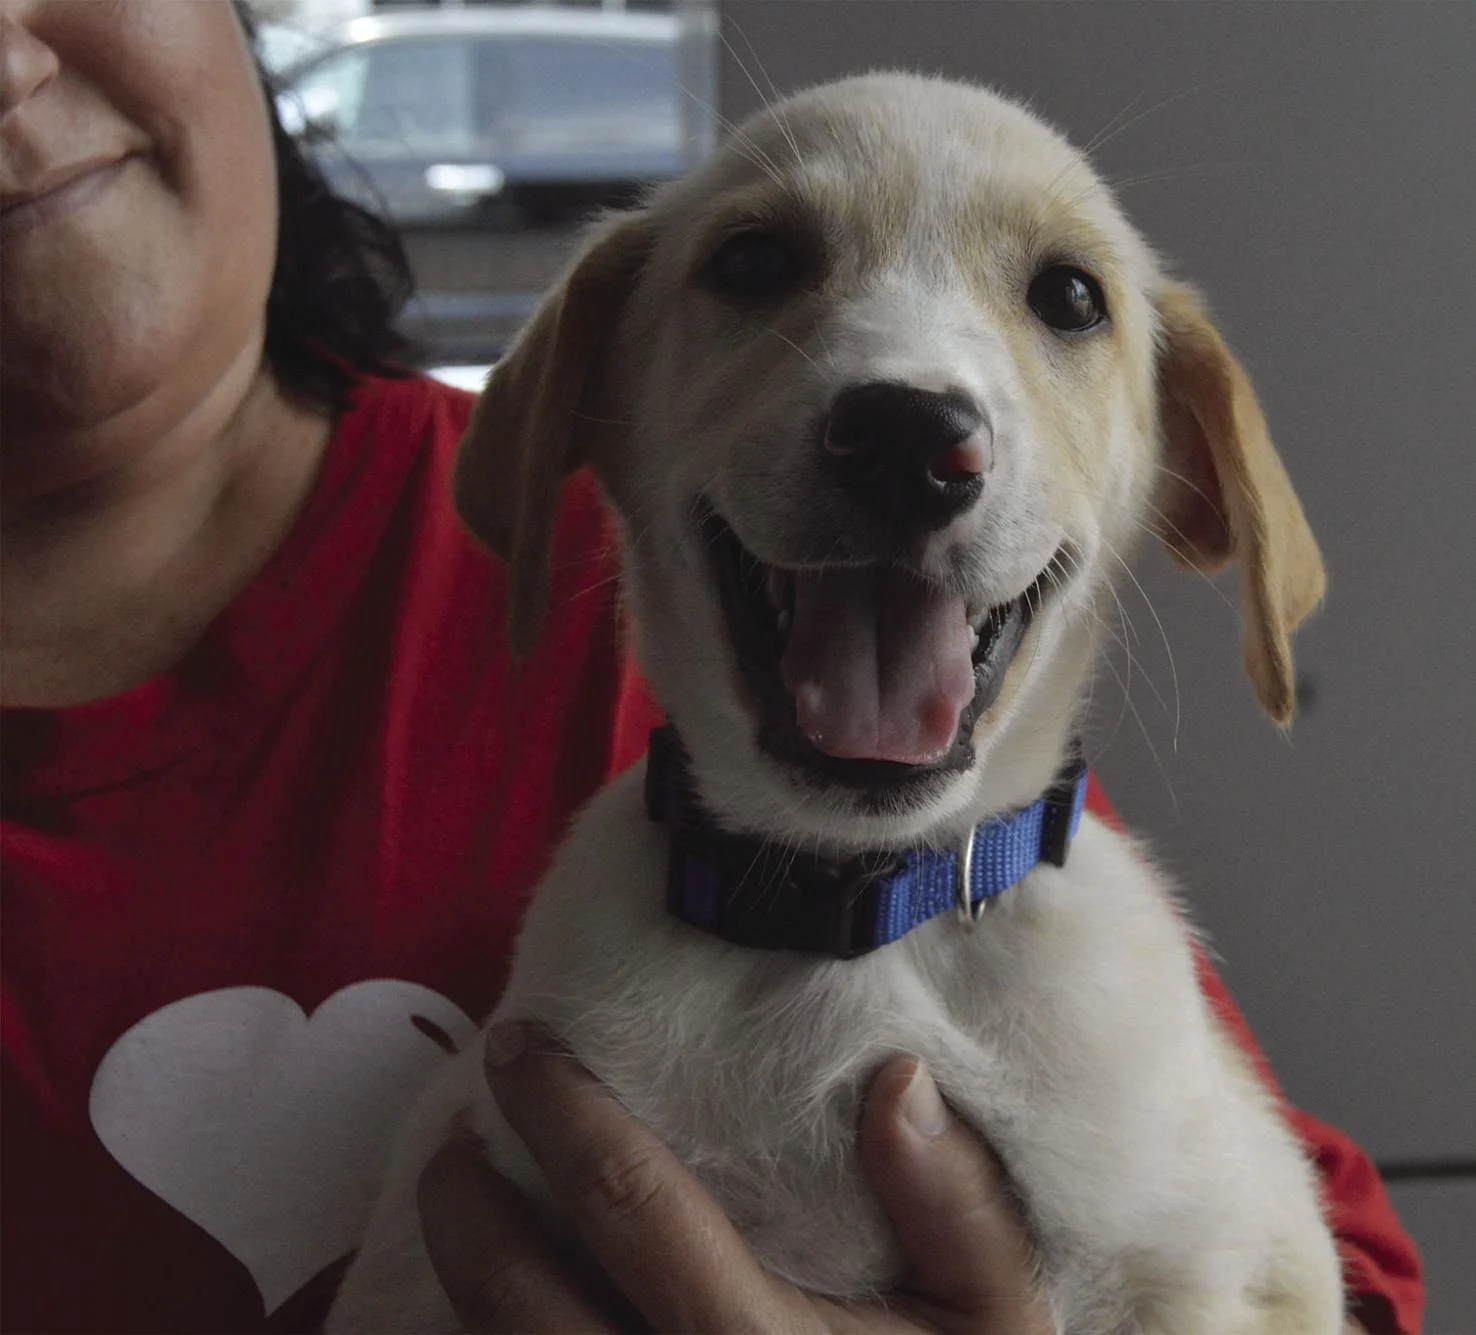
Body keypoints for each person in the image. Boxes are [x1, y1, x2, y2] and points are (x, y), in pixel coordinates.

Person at [0, 2, 1422, 1332]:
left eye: (1061, 295)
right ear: (594, 392)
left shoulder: (1086, 960)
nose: (906, 383)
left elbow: (1336, 1282)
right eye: (759, 263)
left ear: (1186, 467)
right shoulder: (596, 908)